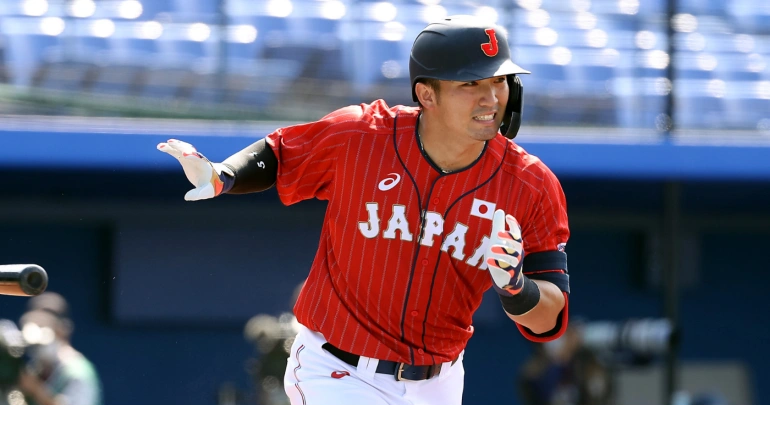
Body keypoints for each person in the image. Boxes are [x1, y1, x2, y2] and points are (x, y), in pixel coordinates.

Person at [158, 14, 571, 407]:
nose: (491, 97)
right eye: (471, 83)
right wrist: (221, 175)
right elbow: (281, 153)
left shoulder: (531, 185)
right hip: (338, 370)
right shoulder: (361, 135)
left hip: (439, 382)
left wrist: (518, 287)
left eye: (499, 81)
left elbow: (549, 319)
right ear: (427, 94)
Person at [16, 292, 103, 407]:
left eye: (45, 327)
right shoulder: (35, 369)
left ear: (62, 330)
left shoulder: (78, 372)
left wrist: (36, 392)